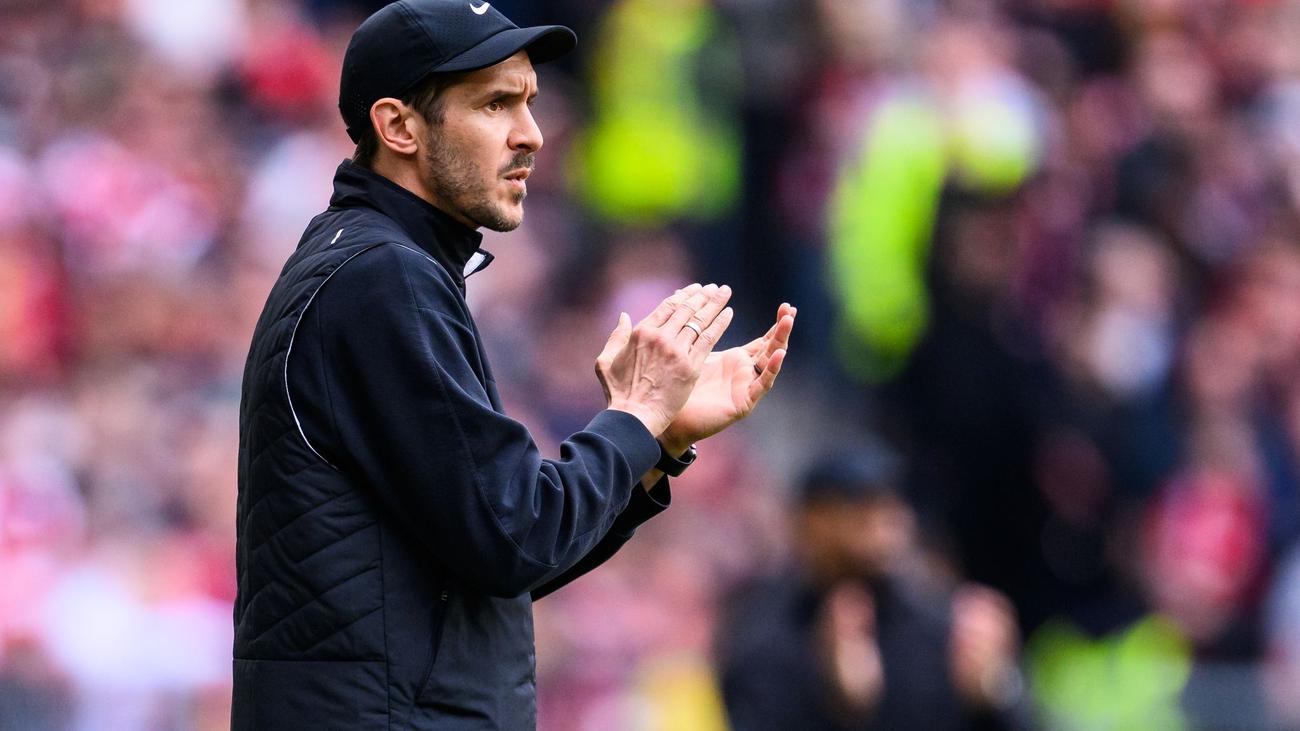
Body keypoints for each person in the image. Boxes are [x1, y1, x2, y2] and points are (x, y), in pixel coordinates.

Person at [231, 1, 794, 729]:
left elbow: (497, 562)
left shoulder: (373, 264)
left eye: (529, 101)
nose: (531, 133)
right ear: (398, 127)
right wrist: (633, 417)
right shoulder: (382, 277)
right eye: (495, 103)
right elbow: (513, 535)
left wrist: (659, 437)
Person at [717, 451, 1029, 731]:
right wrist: (841, 707)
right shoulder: (763, 634)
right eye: (857, 506)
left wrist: (995, 694)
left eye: (889, 504)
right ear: (810, 521)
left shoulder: (943, 627)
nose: (883, 523)